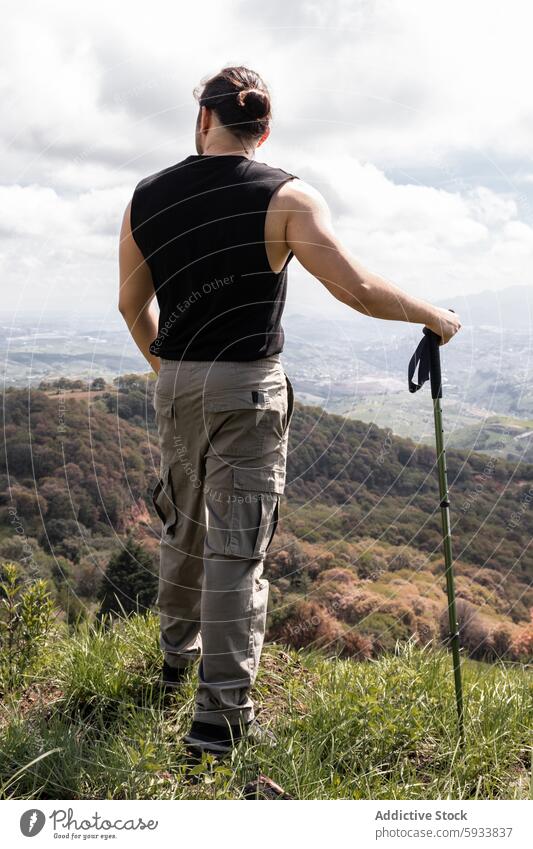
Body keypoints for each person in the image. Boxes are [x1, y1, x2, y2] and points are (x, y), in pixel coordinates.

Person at [118, 65, 461, 757]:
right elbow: (356, 287)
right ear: (264, 129)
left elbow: (131, 305)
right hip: (247, 387)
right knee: (236, 548)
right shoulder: (286, 195)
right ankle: (218, 721)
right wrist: (434, 317)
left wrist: (171, 373)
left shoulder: (146, 196)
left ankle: (172, 662)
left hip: (175, 380)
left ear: (204, 121)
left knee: (182, 523)